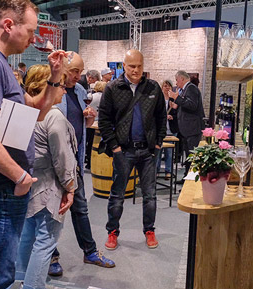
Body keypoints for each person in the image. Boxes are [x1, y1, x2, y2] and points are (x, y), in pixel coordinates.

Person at [0, 1, 65, 289]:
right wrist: (20, 176)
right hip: (0, 187)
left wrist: (54, 78)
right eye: (31, 29)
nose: (34, 37)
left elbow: (34, 113)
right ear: (9, 25)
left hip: (2, 187)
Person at [15, 64, 77, 289]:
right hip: (49, 188)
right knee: (46, 238)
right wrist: (70, 186)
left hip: (29, 184)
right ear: (45, 86)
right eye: (60, 84)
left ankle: (27, 283)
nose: (63, 89)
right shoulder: (53, 116)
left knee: (29, 235)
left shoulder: (26, 112)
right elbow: (62, 158)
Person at [49, 52, 115, 277]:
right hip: (53, 163)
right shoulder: (50, 90)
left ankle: (89, 251)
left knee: (81, 209)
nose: (79, 76)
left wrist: (89, 118)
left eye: (81, 71)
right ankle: (51, 256)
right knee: (53, 212)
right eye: (74, 71)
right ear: (63, 68)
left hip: (75, 162)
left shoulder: (79, 91)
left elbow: (79, 125)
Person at [98, 49, 166, 251]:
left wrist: (158, 143)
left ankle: (149, 230)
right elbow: (104, 120)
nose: (136, 70)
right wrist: (115, 147)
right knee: (117, 195)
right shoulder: (112, 88)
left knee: (150, 195)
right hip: (123, 151)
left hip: (148, 152)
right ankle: (112, 231)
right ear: (124, 66)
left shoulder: (153, 87)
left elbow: (161, 117)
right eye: (132, 66)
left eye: (139, 66)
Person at [168, 70, 205, 179]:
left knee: (192, 157)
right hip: (187, 130)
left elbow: (192, 105)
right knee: (188, 157)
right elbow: (186, 105)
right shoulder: (187, 89)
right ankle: (186, 177)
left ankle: (191, 180)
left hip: (192, 129)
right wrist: (177, 105)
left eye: (177, 80)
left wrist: (177, 98)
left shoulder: (191, 88)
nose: (176, 83)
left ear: (182, 79)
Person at [156, 79, 178, 180]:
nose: (167, 88)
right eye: (165, 86)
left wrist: (172, 116)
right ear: (162, 87)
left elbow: (179, 113)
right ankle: (156, 170)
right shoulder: (158, 99)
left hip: (171, 129)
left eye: (169, 86)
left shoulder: (174, 99)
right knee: (158, 151)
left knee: (169, 152)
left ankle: (168, 171)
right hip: (160, 129)